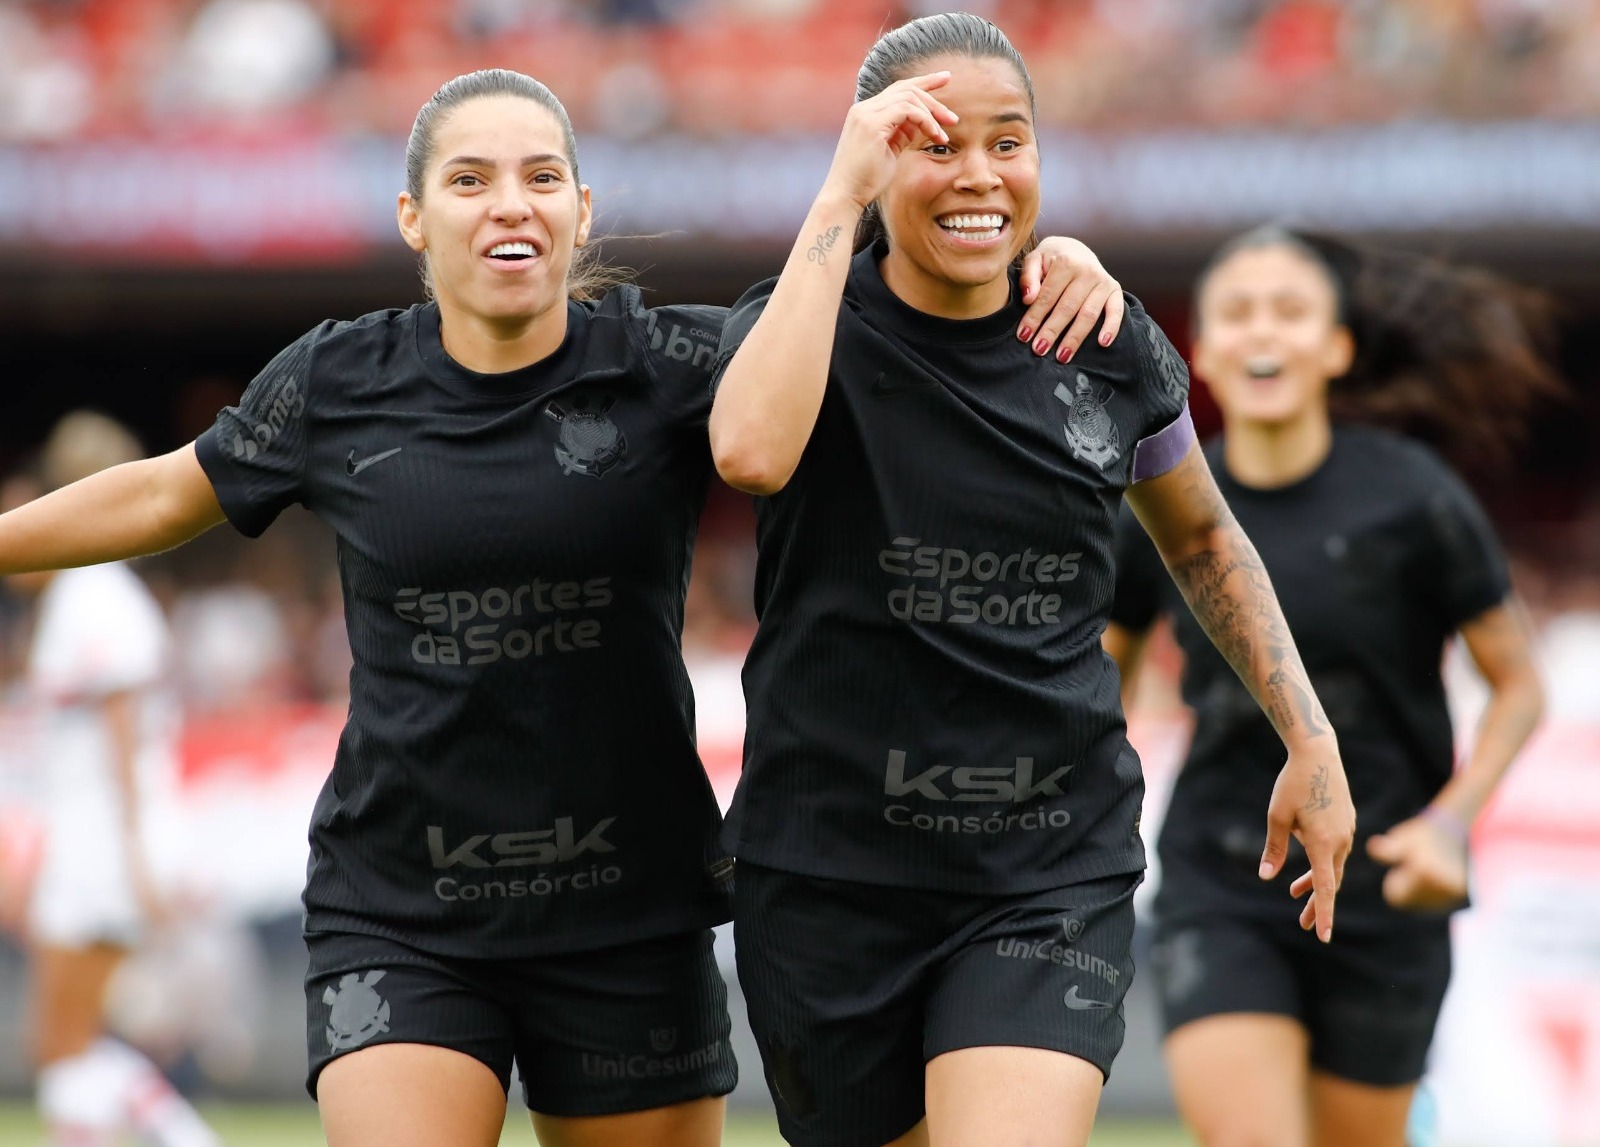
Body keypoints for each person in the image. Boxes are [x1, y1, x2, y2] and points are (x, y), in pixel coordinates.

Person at [0, 67, 1126, 1147]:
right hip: (401, 908)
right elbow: (161, 491)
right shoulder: (338, 381)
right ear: (411, 216)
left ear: (582, 211)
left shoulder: (673, 364)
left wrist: (1047, 258)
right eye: (471, 179)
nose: (511, 205)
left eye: (543, 178)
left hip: (629, 913)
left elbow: (892, 336)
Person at [706, 14, 1356, 1147]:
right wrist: (836, 195)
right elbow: (751, 455)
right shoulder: (798, 330)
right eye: (934, 141)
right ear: (871, 158)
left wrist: (1309, 736)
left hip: (1045, 863)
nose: (978, 175)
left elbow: (1202, 541)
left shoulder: (1104, 344)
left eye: (1008, 143)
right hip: (823, 875)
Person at [1105, 225, 1555, 1147]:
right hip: (1221, 883)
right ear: (1204, 349)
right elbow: (1096, 683)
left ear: (1337, 347)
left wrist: (1450, 824)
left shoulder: (1417, 496)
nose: (1262, 330)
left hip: (1388, 883)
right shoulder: (1161, 509)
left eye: (1290, 309)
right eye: (1238, 311)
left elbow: (1519, 688)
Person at [7, 414, 222, 1147]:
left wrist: (137, 857)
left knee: (61, 1042)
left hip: (104, 848)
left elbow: (125, 739)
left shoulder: (96, 596)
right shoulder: (84, 596)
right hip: (89, 842)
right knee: (68, 1042)